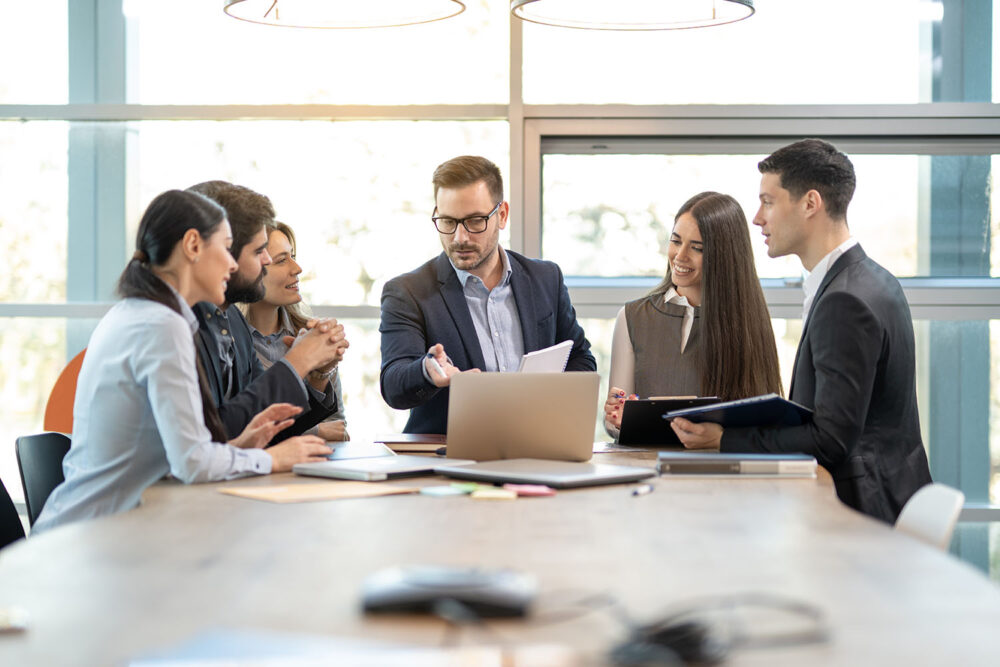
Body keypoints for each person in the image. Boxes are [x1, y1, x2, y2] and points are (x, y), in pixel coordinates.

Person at [34, 191, 333, 532]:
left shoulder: (143, 313)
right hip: (96, 534)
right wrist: (271, 458)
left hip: (112, 525)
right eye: (226, 248)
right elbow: (192, 463)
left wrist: (238, 448)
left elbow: (173, 456)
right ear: (192, 245)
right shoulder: (161, 325)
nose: (232, 264)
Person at [671, 139, 932, 523]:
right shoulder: (873, 279)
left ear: (810, 203)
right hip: (888, 497)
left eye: (768, 202)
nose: (757, 218)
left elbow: (830, 440)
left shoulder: (845, 300)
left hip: (858, 515)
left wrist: (723, 439)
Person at [380, 155, 596, 434]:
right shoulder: (408, 292)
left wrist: (545, 397)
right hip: (449, 451)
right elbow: (393, 384)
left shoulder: (545, 279)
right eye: (448, 221)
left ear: (502, 215)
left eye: (475, 221)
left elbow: (581, 359)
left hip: (536, 444)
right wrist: (426, 371)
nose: (460, 237)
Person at [603, 192, 783, 437]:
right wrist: (617, 419)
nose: (680, 256)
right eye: (676, 241)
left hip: (717, 461)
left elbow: (762, 427)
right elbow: (615, 424)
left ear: (725, 255)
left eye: (697, 248)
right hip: (646, 459)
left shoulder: (749, 324)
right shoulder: (632, 317)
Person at [186, 181, 349, 442]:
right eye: (258, 251)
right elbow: (212, 434)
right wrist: (300, 359)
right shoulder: (177, 325)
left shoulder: (231, 319)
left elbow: (260, 415)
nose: (265, 261)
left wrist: (317, 375)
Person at [244, 221, 348, 441]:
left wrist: (320, 376)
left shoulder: (311, 334)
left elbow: (338, 429)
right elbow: (236, 427)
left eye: (293, 256)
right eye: (282, 260)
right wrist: (315, 430)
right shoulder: (230, 341)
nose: (297, 268)